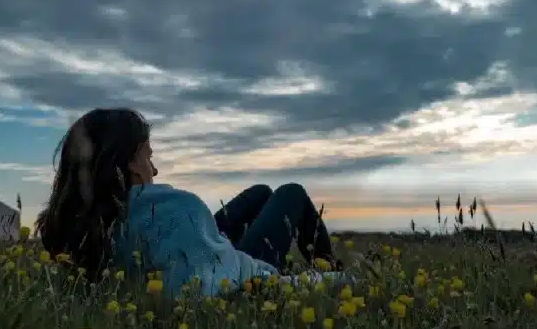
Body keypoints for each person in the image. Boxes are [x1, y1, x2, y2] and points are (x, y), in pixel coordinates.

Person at [36, 108, 347, 297]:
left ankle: (225, 238)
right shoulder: (174, 207)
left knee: (261, 193)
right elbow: (214, 283)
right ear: (132, 163)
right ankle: (328, 263)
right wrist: (327, 281)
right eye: (149, 157)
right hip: (230, 274)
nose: (154, 169)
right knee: (290, 191)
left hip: (190, 253)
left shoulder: (79, 221)